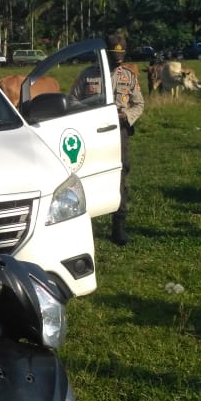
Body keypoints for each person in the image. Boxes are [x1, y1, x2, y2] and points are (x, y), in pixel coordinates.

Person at [69, 34, 144, 246]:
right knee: (85, 175)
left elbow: (139, 104)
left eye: (120, 56)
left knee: (119, 175)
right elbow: (72, 100)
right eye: (113, 56)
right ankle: (84, 224)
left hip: (117, 132)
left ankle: (118, 227)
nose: (117, 60)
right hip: (90, 132)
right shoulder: (87, 75)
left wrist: (126, 116)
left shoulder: (128, 76)